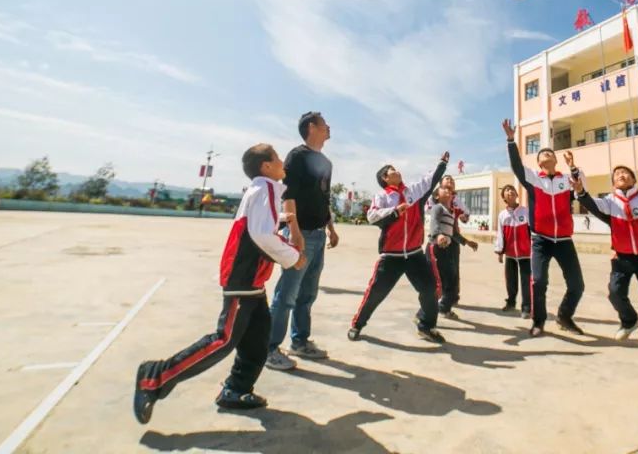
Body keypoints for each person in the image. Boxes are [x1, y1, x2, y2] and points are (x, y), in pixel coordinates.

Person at [133, 144, 305, 424]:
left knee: (258, 341)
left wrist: (283, 220)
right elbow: (262, 235)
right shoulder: (267, 189)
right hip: (243, 277)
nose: (282, 160)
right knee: (223, 340)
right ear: (266, 166)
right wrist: (293, 257)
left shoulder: (262, 190)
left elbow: (257, 226)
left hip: (252, 282)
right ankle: (155, 376)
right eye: (276, 157)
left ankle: (236, 390)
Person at [567, 154, 638, 358]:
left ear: (634, 180)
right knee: (615, 292)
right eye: (617, 174)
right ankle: (629, 321)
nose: (621, 175)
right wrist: (579, 190)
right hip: (622, 258)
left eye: (625, 173)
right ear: (613, 183)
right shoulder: (610, 202)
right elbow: (591, 203)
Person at [348, 153, 450, 344]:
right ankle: (357, 324)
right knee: (375, 293)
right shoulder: (382, 196)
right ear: (385, 178)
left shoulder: (413, 192)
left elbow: (430, 180)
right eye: (392, 170)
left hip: (414, 255)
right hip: (391, 256)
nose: (397, 170)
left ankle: (426, 326)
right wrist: (394, 211)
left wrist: (442, 164)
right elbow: (372, 216)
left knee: (430, 289)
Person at [266, 112, 339, 371]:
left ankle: (300, 341)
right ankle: (270, 348)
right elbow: (289, 195)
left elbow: (325, 198)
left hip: (318, 234)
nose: (329, 126)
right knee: (287, 293)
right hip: (300, 233)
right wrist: (294, 232)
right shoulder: (297, 156)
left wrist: (330, 228)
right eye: (324, 123)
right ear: (312, 127)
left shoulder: (326, 163)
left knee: (307, 293)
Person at [502, 119, 585, 337]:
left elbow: (581, 186)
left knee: (577, 285)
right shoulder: (533, 180)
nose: (547, 154)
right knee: (538, 281)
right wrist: (511, 140)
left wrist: (573, 166)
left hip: (565, 241)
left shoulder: (566, 179)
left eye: (550, 153)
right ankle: (538, 321)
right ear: (539, 162)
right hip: (540, 240)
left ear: (556, 160)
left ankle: (565, 316)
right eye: (543, 153)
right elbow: (517, 167)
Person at [426, 185, 472, 318]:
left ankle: (444, 308)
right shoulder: (437, 208)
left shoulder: (451, 211)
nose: (448, 191)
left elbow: (452, 233)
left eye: (450, 191)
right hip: (435, 249)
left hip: (446, 250)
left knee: (452, 283)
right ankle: (424, 314)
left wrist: (466, 242)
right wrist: (438, 235)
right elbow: (434, 223)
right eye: (444, 189)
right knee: (436, 284)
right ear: (436, 196)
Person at [437, 174, 478, 313]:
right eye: (447, 179)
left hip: (453, 238)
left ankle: (451, 298)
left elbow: (465, 216)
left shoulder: (457, 201)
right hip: (439, 240)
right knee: (441, 272)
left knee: (454, 271)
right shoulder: (436, 202)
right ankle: (440, 299)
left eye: (452, 180)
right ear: (440, 186)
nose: (450, 181)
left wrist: (463, 218)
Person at [494, 184, 531, 318]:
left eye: (512, 190)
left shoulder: (525, 211)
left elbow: (532, 231)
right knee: (511, 280)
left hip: (526, 253)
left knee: (526, 281)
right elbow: (500, 234)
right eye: (507, 191)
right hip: (510, 254)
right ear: (504, 197)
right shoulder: (502, 215)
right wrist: (499, 251)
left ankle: (527, 307)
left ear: (517, 195)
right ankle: (511, 302)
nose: (510, 192)